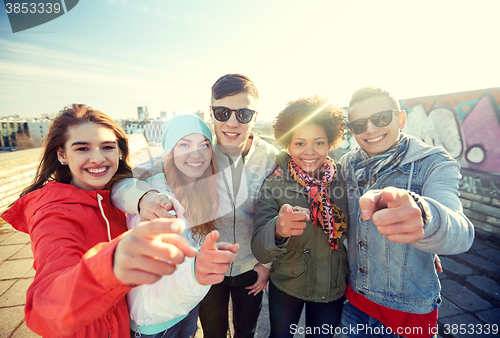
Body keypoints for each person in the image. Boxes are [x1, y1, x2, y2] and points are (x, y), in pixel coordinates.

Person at [0, 104, 199, 338]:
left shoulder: (106, 197)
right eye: (82, 148)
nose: (98, 158)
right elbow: (46, 309)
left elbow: (124, 186)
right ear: (61, 154)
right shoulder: (53, 214)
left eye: (107, 147)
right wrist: (110, 266)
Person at [111, 74, 279, 337]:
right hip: (205, 264)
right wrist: (142, 199)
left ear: (255, 117)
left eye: (243, 114)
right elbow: (123, 181)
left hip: (250, 266)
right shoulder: (197, 149)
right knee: (213, 332)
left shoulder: (272, 157)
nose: (232, 123)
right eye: (223, 112)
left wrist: (266, 263)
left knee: (247, 330)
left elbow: (278, 210)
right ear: (211, 112)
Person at [335, 87, 475, 338]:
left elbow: (461, 232)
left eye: (380, 119)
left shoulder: (433, 163)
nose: (370, 129)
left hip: (408, 310)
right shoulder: (347, 163)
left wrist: (425, 219)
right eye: (358, 124)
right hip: (354, 301)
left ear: (400, 119)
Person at [127, 114, 239, 338]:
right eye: (184, 144)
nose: (196, 154)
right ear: (170, 150)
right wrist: (197, 270)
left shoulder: (198, 189)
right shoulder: (157, 201)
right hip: (156, 321)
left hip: (185, 307)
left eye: (204, 145)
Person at [252, 96, 348, 337]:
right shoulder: (274, 183)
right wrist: (277, 230)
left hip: (332, 287)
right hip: (287, 285)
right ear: (288, 144)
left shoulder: (344, 180)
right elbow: (260, 248)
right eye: (299, 143)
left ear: (330, 144)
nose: (309, 152)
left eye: (318, 142)